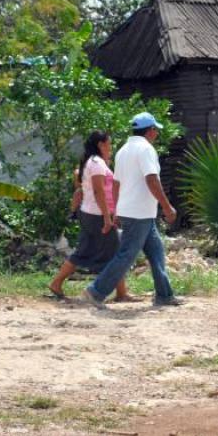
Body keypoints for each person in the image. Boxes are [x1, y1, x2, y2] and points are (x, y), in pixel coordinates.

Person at [80, 112, 183, 309]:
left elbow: (116, 184)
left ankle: (165, 295)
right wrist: (167, 206)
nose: (157, 134)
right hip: (140, 212)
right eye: (156, 130)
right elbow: (152, 179)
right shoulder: (146, 150)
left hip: (135, 211)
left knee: (156, 252)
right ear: (150, 131)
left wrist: (117, 209)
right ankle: (96, 291)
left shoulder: (123, 150)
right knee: (126, 255)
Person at [47, 131, 134, 302]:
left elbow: (84, 182)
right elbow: (98, 190)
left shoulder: (94, 162)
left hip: (91, 213)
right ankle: (121, 293)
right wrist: (107, 218)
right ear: (101, 144)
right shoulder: (96, 163)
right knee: (116, 253)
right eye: (109, 143)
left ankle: (56, 283)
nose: (111, 146)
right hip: (97, 215)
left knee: (86, 251)